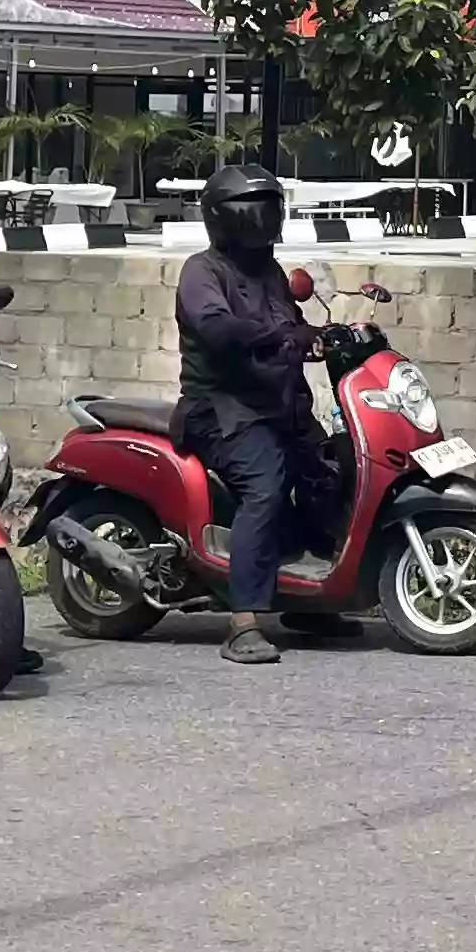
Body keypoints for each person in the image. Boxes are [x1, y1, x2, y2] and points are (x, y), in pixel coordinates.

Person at [174, 157, 338, 666]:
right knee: (266, 484)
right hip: (222, 411)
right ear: (223, 216)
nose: (262, 218)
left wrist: (327, 338)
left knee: (330, 471)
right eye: (252, 209)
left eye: (269, 208)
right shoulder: (202, 271)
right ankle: (243, 620)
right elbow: (218, 329)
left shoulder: (267, 270)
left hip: (277, 405)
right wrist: (282, 337)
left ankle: (310, 600)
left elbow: (294, 328)